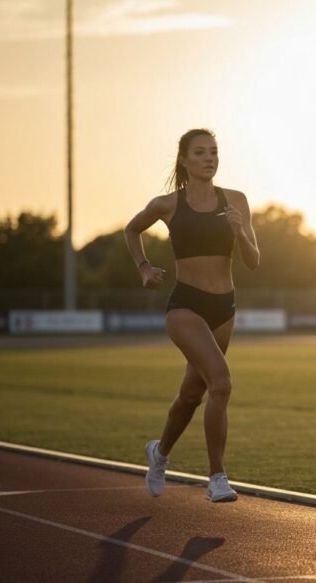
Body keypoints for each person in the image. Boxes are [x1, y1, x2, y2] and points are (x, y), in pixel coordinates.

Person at [123, 128, 260, 502]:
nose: (209, 158)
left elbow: (253, 261)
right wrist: (144, 268)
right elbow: (132, 229)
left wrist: (241, 233)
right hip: (185, 306)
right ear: (184, 159)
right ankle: (217, 477)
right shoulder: (167, 204)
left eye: (213, 152)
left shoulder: (236, 201)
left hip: (224, 308)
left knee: (190, 395)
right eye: (200, 152)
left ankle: (160, 452)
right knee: (221, 383)